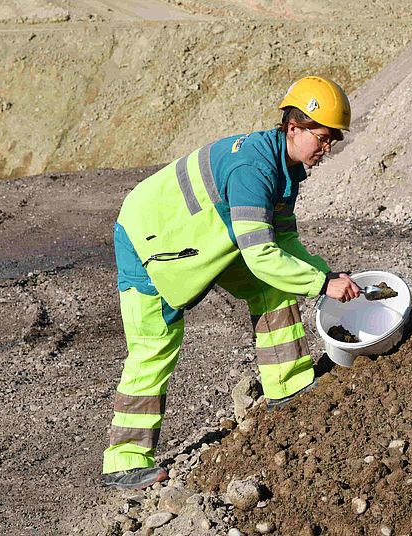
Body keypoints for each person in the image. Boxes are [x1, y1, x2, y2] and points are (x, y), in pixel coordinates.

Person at [101, 75, 362, 490]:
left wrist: (328, 275)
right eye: (325, 138)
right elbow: (261, 254)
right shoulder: (254, 168)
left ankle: (289, 387)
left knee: (272, 288)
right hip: (149, 239)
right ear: (294, 127)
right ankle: (125, 460)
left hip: (210, 239)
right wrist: (319, 284)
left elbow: (285, 242)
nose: (327, 149)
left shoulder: (283, 167)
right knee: (154, 345)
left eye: (333, 140)